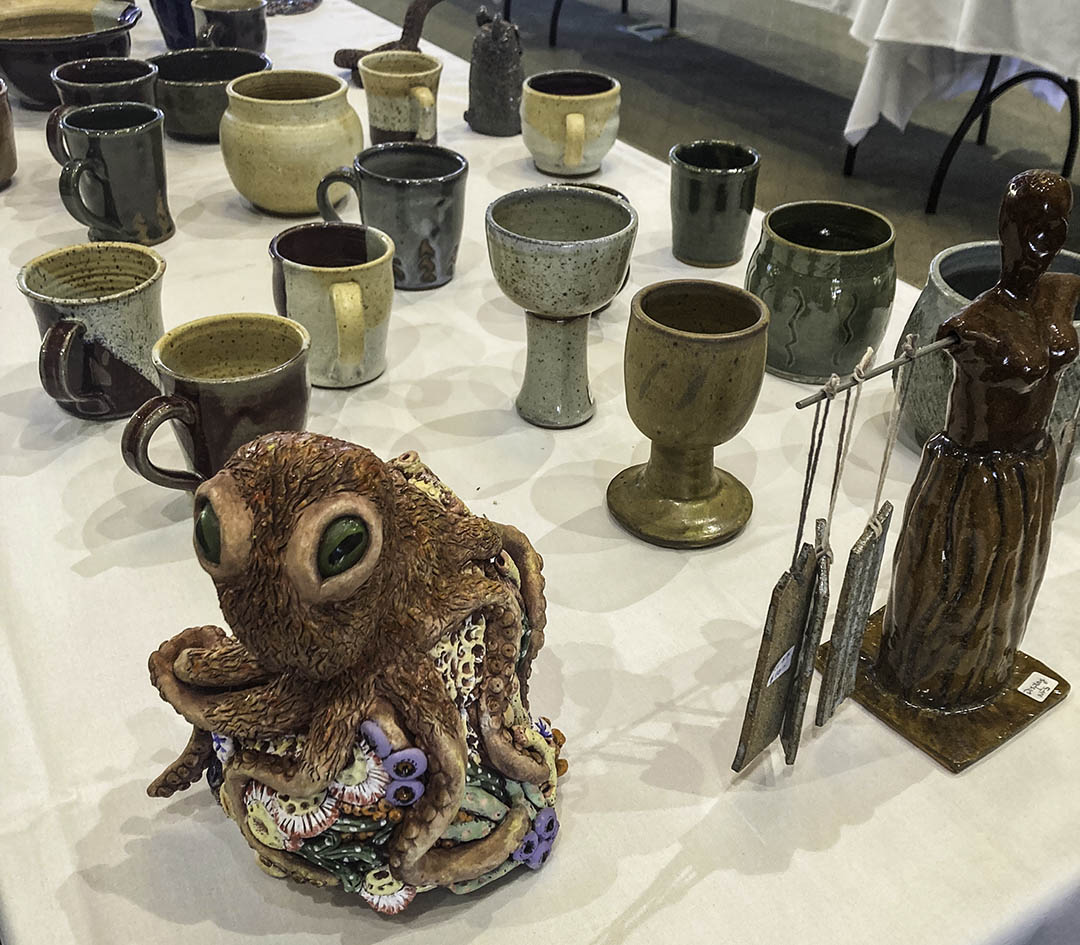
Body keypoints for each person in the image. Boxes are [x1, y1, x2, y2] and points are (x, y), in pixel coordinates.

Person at [877, 169, 1080, 710]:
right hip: (973, 473)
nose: (1044, 244)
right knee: (950, 589)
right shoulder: (971, 323)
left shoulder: (1061, 293)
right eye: (1030, 227)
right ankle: (928, 680)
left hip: (1031, 469)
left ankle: (983, 676)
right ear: (1004, 228)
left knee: (1007, 594)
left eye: (1056, 229)